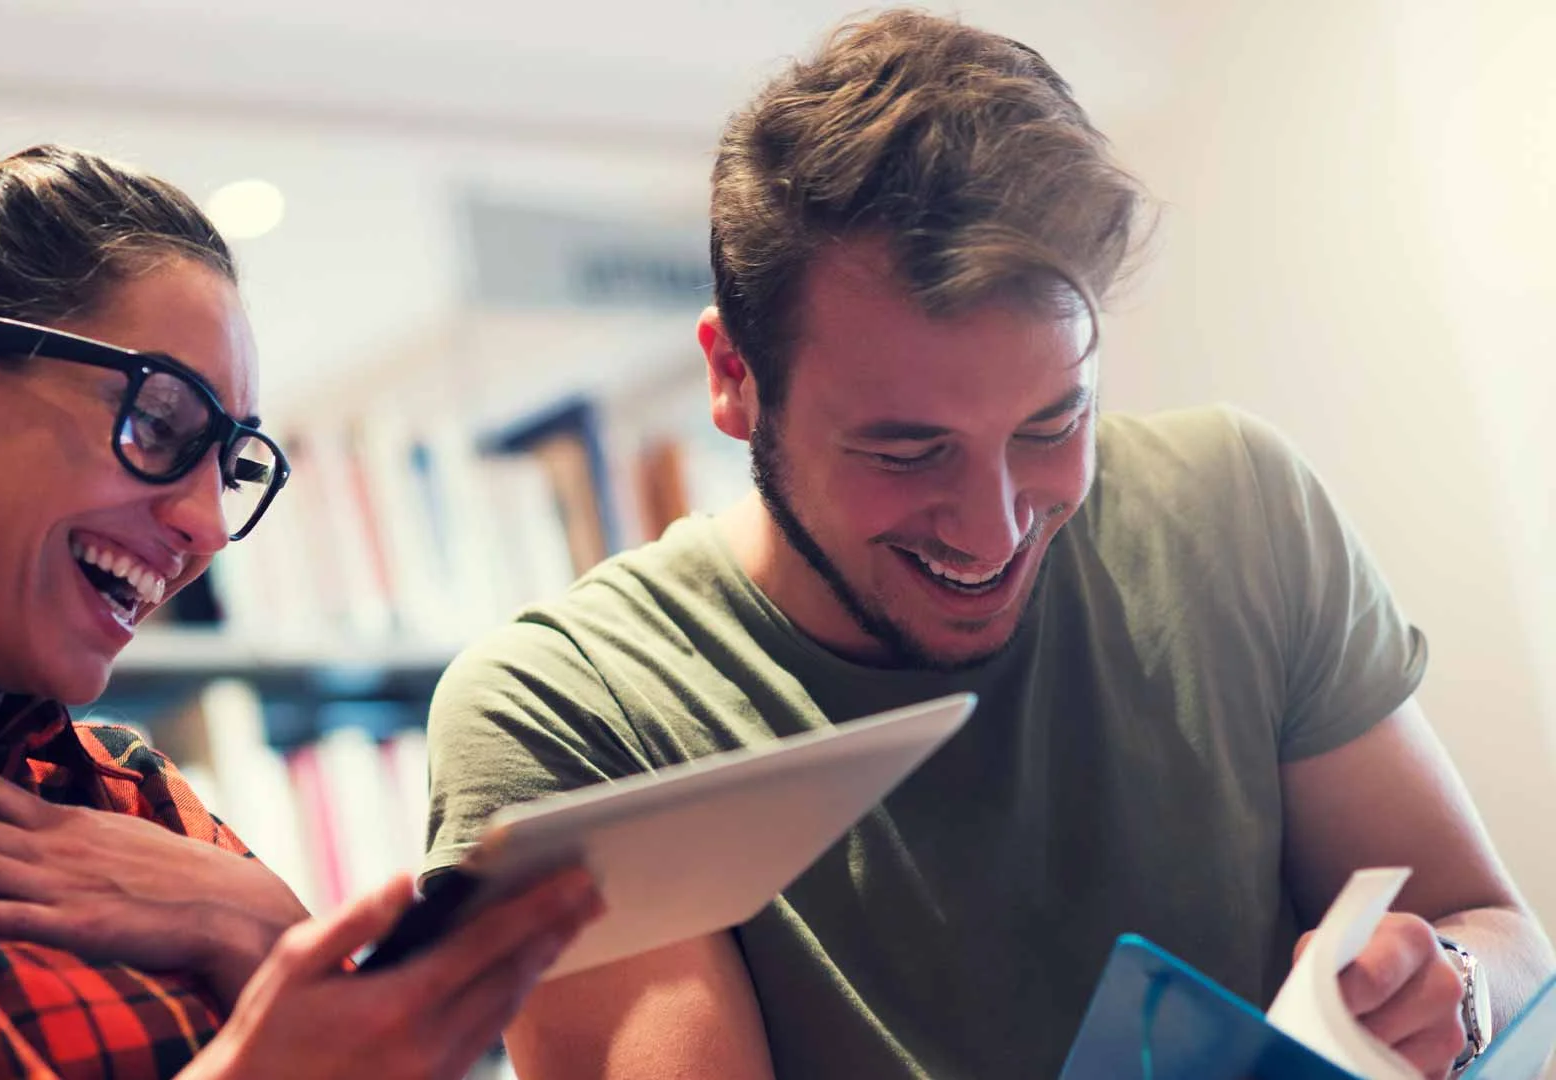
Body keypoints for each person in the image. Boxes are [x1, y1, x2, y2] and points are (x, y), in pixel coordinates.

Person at [422, 10, 1555, 1080]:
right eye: (908, 452)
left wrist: (1446, 989)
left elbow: (1502, 933)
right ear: (733, 380)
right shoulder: (568, 715)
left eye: (1054, 426)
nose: (996, 524)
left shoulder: (1237, 508)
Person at [0, 59, 599, 1079]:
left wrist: (266, 928)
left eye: (230, 466)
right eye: (156, 423)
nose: (206, 528)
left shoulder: (131, 798)